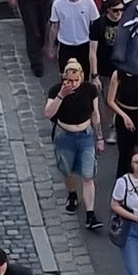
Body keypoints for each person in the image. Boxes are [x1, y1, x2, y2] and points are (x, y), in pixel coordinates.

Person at [45, 62, 107, 230]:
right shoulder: (56, 90)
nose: (72, 83)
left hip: (85, 135)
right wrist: (61, 96)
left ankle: (90, 214)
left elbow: (95, 114)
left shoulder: (89, 90)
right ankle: (72, 194)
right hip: (64, 135)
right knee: (67, 169)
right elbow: (48, 113)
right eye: (68, 80)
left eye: (75, 79)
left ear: (81, 76)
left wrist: (99, 137)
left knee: (88, 175)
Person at [50, 0, 102, 76]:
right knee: (65, 76)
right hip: (65, 46)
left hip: (83, 45)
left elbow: (95, 25)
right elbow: (54, 27)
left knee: (83, 76)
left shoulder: (89, 3)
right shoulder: (58, 4)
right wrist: (51, 46)